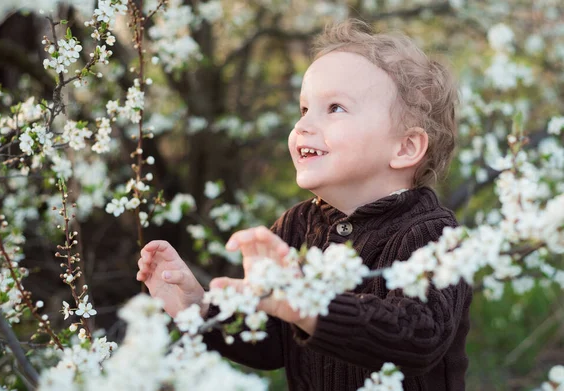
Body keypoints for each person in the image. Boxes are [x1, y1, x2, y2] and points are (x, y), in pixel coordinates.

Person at [137, 18, 471, 391]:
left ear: (405, 147)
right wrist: (199, 308)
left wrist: (307, 304)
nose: (303, 127)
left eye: (335, 108)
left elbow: (418, 336)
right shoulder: (298, 227)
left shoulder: (432, 234)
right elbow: (272, 345)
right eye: (303, 110)